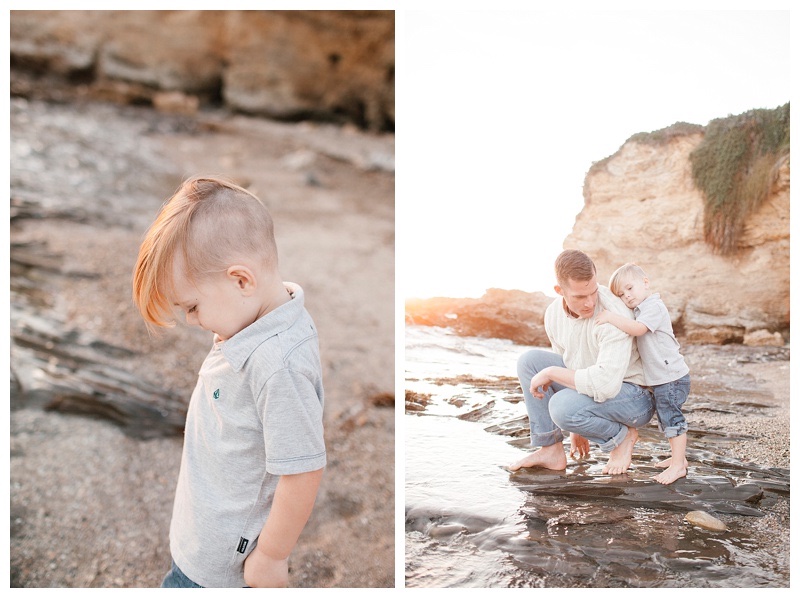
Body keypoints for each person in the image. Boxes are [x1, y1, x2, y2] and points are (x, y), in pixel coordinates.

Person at [132, 176, 326, 588]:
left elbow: (303, 470)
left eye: (193, 306)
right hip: (203, 534)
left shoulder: (278, 365)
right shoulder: (253, 319)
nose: (192, 320)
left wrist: (272, 555)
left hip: (220, 567)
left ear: (241, 280)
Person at [509, 249, 655, 475]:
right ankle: (551, 450)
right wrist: (575, 429)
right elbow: (568, 364)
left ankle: (621, 438)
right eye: (579, 297)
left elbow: (606, 385)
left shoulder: (612, 314)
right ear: (560, 291)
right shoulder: (553, 314)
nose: (589, 303)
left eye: (593, 292)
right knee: (530, 361)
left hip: (633, 396)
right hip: (595, 388)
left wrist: (553, 375)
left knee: (561, 406)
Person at [595, 263, 690, 485]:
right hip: (664, 378)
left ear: (645, 283)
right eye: (621, 294)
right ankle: (679, 459)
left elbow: (638, 329)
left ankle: (678, 467)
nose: (627, 296)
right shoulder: (640, 309)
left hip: (672, 378)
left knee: (672, 419)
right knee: (666, 419)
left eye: (630, 288)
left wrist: (610, 317)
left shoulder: (653, 306)